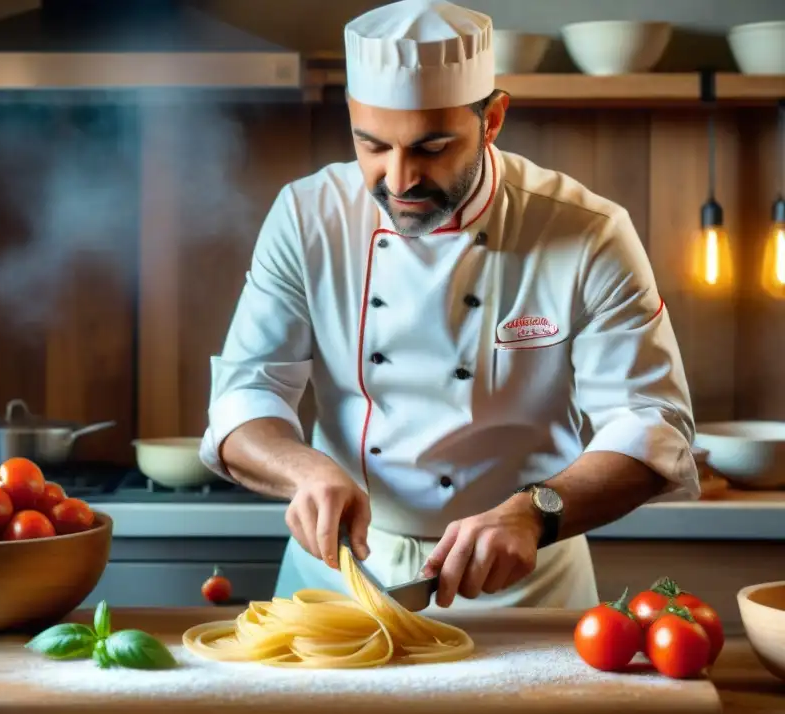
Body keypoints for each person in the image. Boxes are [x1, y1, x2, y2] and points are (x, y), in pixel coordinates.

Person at [198, 0, 699, 612]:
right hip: (339, 578)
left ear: (493, 120)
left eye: (432, 148)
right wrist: (306, 470)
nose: (399, 180)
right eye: (372, 145)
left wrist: (533, 513)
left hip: (526, 583)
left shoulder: (588, 233)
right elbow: (245, 395)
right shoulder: (307, 217)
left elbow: (651, 425)